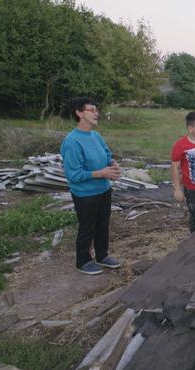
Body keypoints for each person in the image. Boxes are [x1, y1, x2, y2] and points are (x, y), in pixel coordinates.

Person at [61, 97, 122, 275]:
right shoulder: (72, 142)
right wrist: (101, 173)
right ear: (79, 113)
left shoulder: (96, 135)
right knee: (87, 227)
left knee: (103, 225)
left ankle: (102, 256)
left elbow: (106, 154)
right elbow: (73, 175)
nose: (96, 113)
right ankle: (83, 261)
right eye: (91, 110)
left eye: (96, 110)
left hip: (104, 190)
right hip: (85, 194)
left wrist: (112, 163)